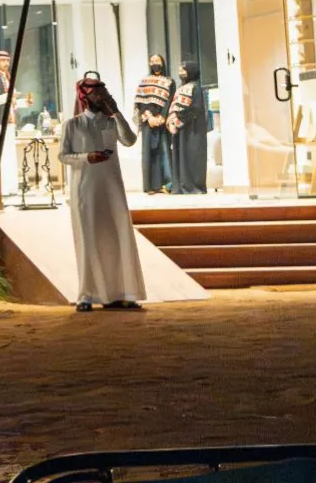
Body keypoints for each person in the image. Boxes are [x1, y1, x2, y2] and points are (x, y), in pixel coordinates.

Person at [59, 75, 145, 312]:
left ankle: (122, 293)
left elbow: (129, 140)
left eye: (104, 93)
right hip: (85, 190)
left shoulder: (111, 122)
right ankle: (87, 295)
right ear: (86, 97)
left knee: (118, 237)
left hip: (112, 189)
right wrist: (86, 157)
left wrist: (116, 113)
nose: (103, 97)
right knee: (88, 240)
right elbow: (63, 156)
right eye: (98, 93)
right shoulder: (73, 125)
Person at [132, 55, 175, 194]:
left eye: (157, 60)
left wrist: (162, 116)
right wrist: (149, 117)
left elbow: (170, 100)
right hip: (148, 122)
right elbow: (139, 102)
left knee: (164, 151)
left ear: (163, 62)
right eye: (152, 61)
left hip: (162, 121)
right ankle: (150, 186)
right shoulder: (144, 81)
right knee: (149, 153)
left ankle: (167, 185)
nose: (154, 63)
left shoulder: (169, 81)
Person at [166, 60, 209, 194]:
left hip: (192, 129)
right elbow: (174, 107)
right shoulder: (181, 88)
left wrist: (178, 120)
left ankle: (192, 186)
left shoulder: (196, 88)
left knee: (192, 157)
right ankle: (180, 186)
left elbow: (195, 109)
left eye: (183, 70)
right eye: (180, 70)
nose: (180, 73)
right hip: (180, 129)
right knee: (181, 156)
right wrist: (172, 122)